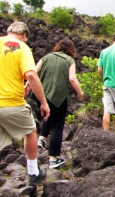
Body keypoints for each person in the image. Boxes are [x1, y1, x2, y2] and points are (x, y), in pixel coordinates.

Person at [0, 22, 50, 186]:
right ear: (24, 35)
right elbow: (31, 75)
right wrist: (43, 102)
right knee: (30, 131)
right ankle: (33, 172)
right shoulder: (22, 47)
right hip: (10, 102)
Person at [27, 38, 84, 169]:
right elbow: (72, 79)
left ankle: (41, 138)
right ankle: (53, 158)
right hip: (59, 96)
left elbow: (33, 72)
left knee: (48, 115)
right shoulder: (69, 60)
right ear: (71, 50)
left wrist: (27, 85)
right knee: (57, 127)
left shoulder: (46, 57)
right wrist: (80, 93)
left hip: (43, 95)